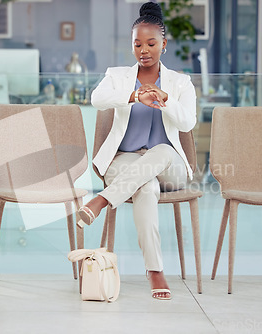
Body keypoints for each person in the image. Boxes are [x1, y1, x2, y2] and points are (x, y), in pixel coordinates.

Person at [77, 1, 197, 300]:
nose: (144, 50)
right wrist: (133, 96)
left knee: (164, 152)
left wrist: (166, 100)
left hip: (170, 165)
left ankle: (102, 201)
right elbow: (97, 99)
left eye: (151, 43)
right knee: (147, 188)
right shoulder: (117, 76)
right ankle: (155, 271)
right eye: (138, 44)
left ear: (163, 44)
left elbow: (187, 123)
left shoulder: (181, 83)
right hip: (125, 162)